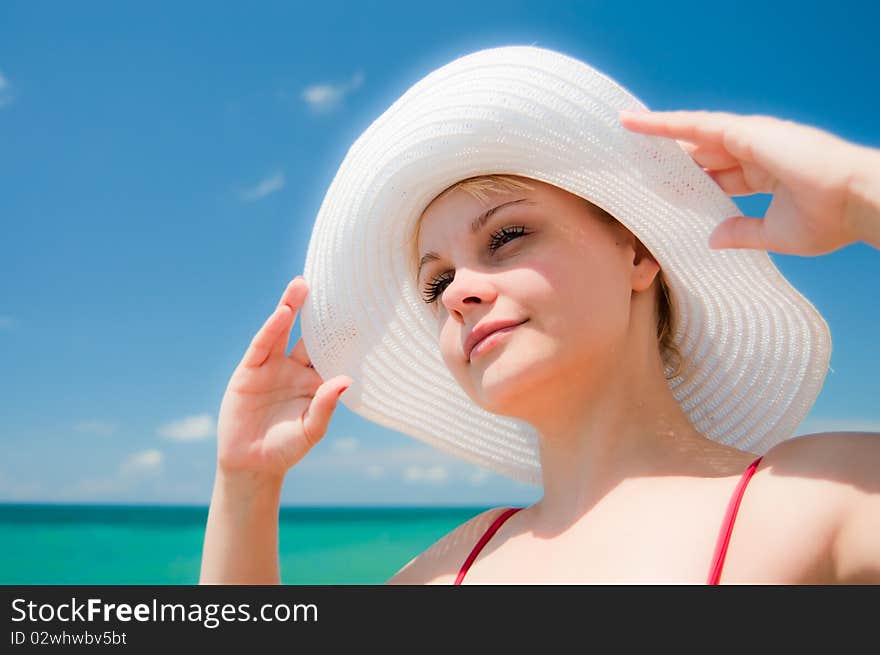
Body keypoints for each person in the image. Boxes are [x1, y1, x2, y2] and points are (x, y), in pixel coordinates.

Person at [199, 46, 880, 585]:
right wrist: (246, 485)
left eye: (505, 236)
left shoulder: (809, 501)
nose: (460, 290)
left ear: (639, 254)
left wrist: (856, 190)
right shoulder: (455, 567)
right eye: (436, 282)